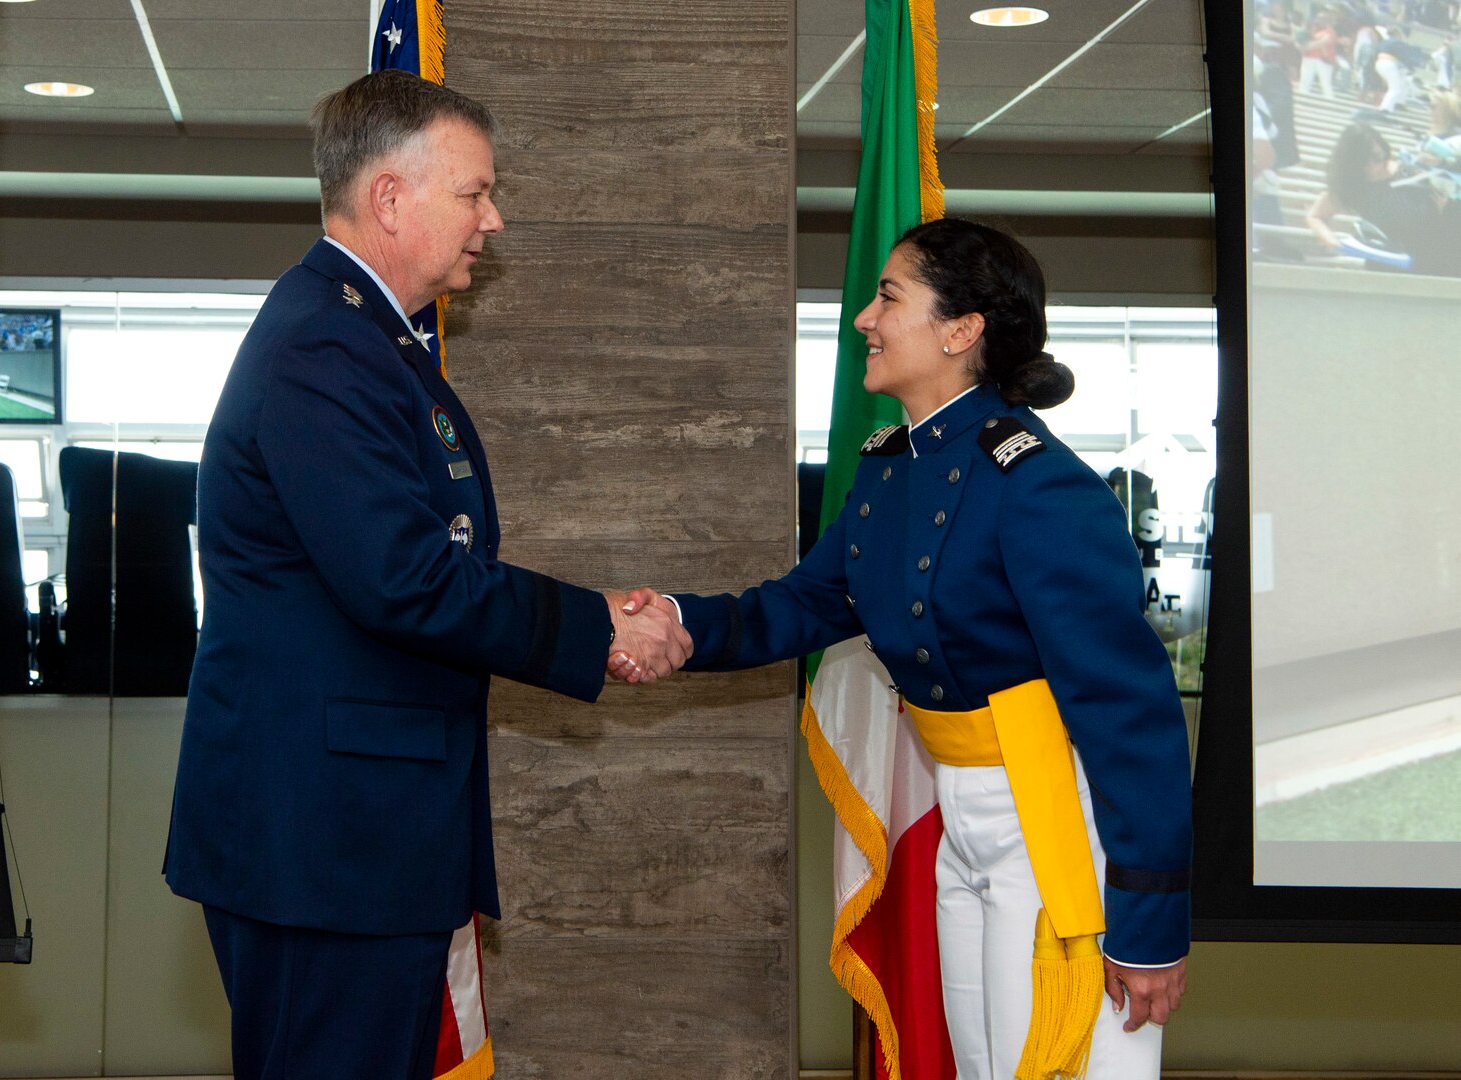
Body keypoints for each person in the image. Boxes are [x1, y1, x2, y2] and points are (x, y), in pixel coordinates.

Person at [163, 70, 689, 1080]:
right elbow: (404, 578)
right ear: (391, 198)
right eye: (474, 192)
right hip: (323, 845)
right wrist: (598, 629)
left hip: (354, 838)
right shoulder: (327, 346)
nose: (494, 219)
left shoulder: (363, 336)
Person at [617, 219, 1192, 1080]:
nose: (864, 318)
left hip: (1052, 823)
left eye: (889, 297)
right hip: (961, 826)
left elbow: (1130, 713)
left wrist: (1148, 925)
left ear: (962, 331)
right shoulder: (889, 467)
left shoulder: (1040, 485)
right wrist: (674, 621)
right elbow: (807, 603)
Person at [1305, 121, 1461, 273]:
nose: (1374, 167)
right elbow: (1315, 215)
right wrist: (1328, 238)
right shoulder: (1354, 188)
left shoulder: (1410, 169)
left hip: (1438, 250)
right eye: (1365, 163)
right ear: (1352, 165)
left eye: (1378, 158)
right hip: (1393, 262)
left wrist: (1446, 206)